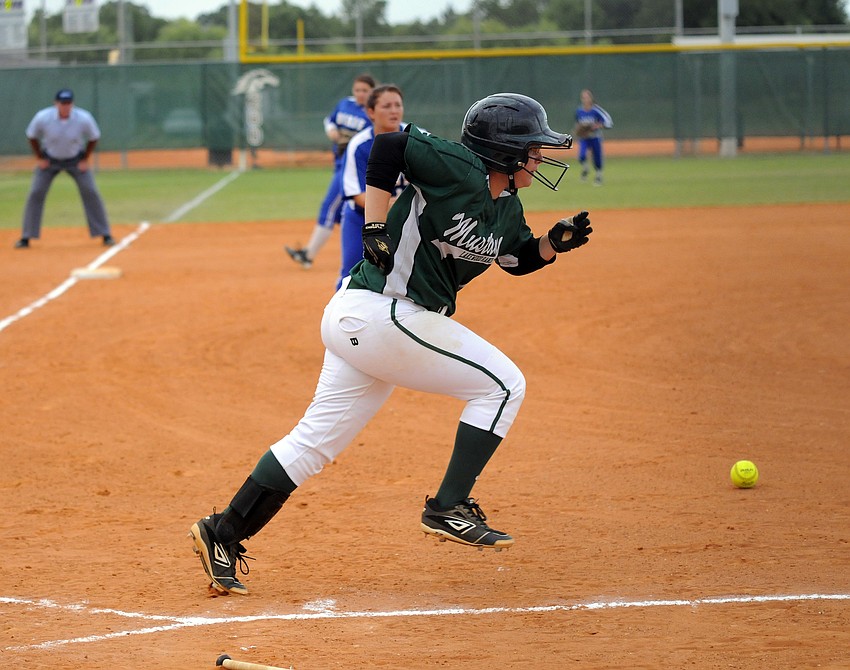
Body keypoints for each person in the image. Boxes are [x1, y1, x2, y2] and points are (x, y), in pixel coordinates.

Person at [189, 92, 593, 595]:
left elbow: (517, 260)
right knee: (503, 385)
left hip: (372, 321)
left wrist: (554, 244)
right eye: (532, 148)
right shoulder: (461, 167)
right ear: (504, 152)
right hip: (382, 309)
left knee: (314, 443)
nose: (540, 157)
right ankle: (448, 505)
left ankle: (223, 532)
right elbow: (389, 147)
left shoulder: (507, 209)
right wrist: (375, 225)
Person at [285, 74, 376, 268]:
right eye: (357, 90)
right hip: (339, 163)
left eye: (365, 90)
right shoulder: (345, 104)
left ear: (372, 92)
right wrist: (333, 132)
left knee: (329, 208)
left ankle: (308, 256)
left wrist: (349, 140)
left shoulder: (371, 115)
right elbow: (330, 121)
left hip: (350, 169)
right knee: (341, 212)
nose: (360, 94)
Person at [14, 88, 115, 249]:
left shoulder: (83, 118)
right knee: (35, 192)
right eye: (62, 103)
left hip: (75, 160)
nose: (65, 106)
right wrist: (39, 157)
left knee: (90, 191)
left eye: (68, 103)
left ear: (72, 104)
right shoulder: (43, 117)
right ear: (56, 104)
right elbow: (31, 135)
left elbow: (94, 137)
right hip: (50, 160)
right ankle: (26, 236)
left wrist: (85, 159)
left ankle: (105, 234)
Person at [336, 84, 408, 290]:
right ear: (371, 112)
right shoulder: (360, 145)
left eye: (398, 105)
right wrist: (393, 205)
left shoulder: (417, 137)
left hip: (406, 218)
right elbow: (357, 195)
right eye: (386, 106)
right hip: (361, 218)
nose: (394, 111)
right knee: (351, 274)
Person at [574, 88, 613, 186]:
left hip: (595, 137)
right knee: (582, 156)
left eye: (587, 97)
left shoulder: (596, 110)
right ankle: (585, 168)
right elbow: (578, 123)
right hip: (584, 137)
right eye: (584, 97)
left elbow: (608, 122)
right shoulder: (579, 111)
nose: (586, 99)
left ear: (591, 98)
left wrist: (598, 125)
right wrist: (578, 129)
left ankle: (598, 176)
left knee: (597, 157)